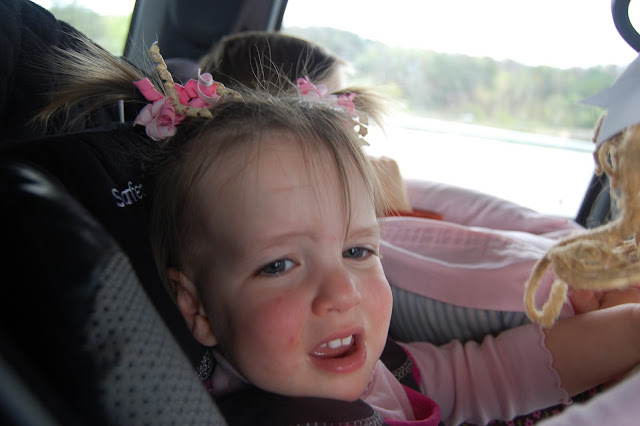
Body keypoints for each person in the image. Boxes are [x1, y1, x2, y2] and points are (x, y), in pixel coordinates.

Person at [38, 37, 640, 426]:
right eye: (279, 265)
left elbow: (478, 376)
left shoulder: (369, 372)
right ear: (197, 308)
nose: (342, 293)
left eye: (357, 250)